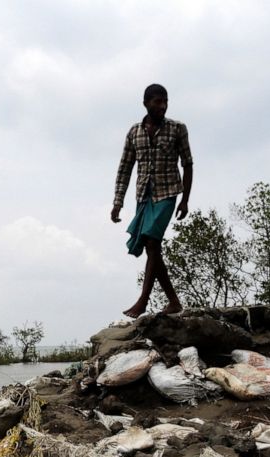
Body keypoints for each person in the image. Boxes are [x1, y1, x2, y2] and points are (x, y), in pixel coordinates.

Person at [111, 83, 193, 318]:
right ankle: (173, 301)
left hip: (168, 193)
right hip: (144, 196)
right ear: (146, 103)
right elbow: (125, 168)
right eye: (158, 101)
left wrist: (185, 200)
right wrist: (118, 201)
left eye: (165, 101)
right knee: (151, 247)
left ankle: (143, 301)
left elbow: (187, 163)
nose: (163, 106)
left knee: (151, 241)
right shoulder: (134, 132)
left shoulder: (178, 129)